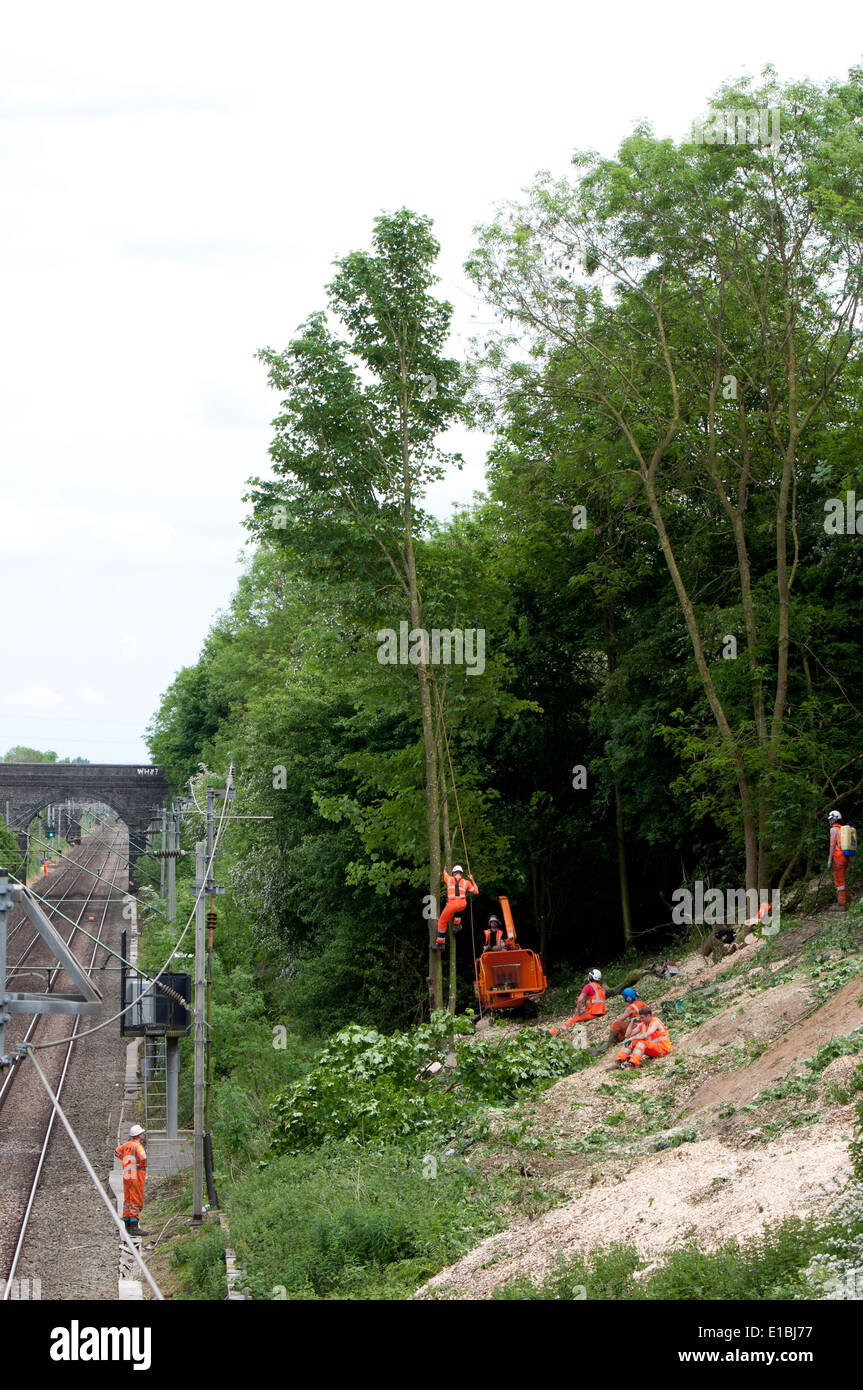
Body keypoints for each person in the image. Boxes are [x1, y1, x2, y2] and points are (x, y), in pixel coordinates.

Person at [432, 864, 479, 950]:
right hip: (462, 904)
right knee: (458, 908)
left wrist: (444, 868)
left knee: (442, 922)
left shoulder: (449, 879)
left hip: (452, 905)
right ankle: (457, 925)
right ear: (461, 874)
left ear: (453, 873)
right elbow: (476, 891)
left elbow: (444, 873)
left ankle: (440, 943)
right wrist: (472, 880)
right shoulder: (466, 882)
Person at [115, 1123, 148, 1237]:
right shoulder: (137, 1146)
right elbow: (143, 1157)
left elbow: (117, 1152)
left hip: (127, 1173)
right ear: (139, 1135)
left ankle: (127, 1224)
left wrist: (126, 1160)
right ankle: (134, 1226)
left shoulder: (126, 1145)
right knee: (135, 1199)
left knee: (128, 1198)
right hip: (136, 1174)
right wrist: (139, 1164)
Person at [548, 969, 606, 1034]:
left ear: (590, 977)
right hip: (601, 1012)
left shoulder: (588, 986)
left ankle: (552, 1033)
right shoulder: (600, 988)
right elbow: (596, 1003)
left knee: (573, 1019)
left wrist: (578, 1011)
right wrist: (584, 1009)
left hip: (593, 1013)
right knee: (581, 1015)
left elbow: (580, 1000)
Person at [616, 1004, 672, 1069]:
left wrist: (632, 1038)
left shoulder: (655, 1022)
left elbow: (645, 1035)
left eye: (642, 1017)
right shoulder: (642, 1024)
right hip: (653, 1049)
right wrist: (631, 1022)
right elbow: (627, 1035)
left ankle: (632, 1064)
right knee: (632, 1041)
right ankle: (619, 1060)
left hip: (663, 1049)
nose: (641, 1019)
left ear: (648, 1016)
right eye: (640, 1018)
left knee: (641, 1041)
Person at [827, 811, 849, 913]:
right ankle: (847, 900)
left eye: (830, 819)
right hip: (845, 857)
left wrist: (829, 860)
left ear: (834, 819)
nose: (829, 821)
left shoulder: (834, 830)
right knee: (842, 879)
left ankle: (842, 905)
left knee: (839, 881)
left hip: (838, 857)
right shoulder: (842, 828)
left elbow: (832, 846)